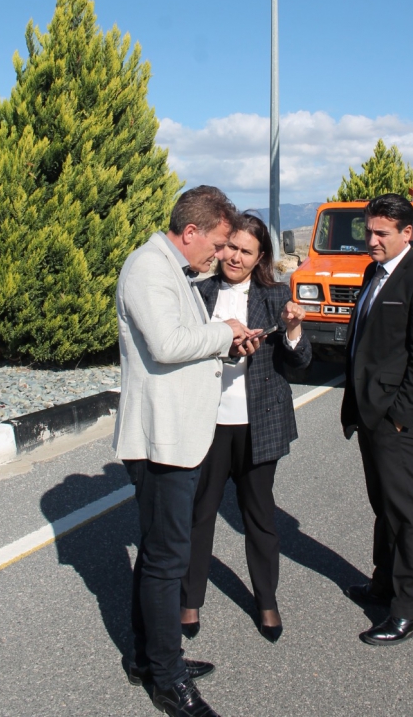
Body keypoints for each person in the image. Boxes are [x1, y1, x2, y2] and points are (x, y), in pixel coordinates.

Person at [114, 186, 262, 717]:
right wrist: (222, 332)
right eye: (220, 242)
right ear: (192, 231)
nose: (222, 255)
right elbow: (168, 345)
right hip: (162, 439)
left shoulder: (174, 270)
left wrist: (227, 339)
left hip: (178, 434)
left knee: (159, 554)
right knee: (166, 560)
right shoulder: (148, 269)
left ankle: (149, 658)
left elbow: (184, 339)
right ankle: (168, 679)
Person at [181, 212, 311, 643]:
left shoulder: (276, 297)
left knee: (259, 516)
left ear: (260, 258)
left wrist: (292, 332)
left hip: (260, 424)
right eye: (230, 246)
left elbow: (299, 362)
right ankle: (190, 599)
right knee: (201, 515)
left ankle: (267, 600)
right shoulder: (198, 294)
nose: (234, 257)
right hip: (211, 424)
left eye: (246, 251)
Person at [341, 193, 413, 645]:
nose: (372, 240)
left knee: (405, 513)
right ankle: (383, 583)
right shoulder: (373, 272)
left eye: (381, 233)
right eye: (368, 231)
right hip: (368, 412)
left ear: (408, 233)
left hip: (394, 418)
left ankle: (410, 610)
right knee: (382, 507)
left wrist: (402, 416)